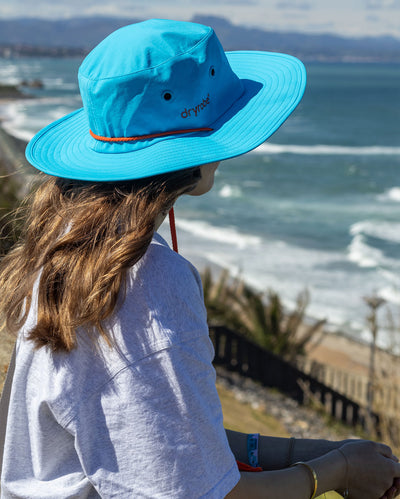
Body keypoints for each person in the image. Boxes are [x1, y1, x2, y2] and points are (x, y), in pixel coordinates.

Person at [0, 18, 399, 499]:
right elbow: (197, 494)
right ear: (190, 151)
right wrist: (336, 473)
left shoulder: (68, 248)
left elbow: (168, 438)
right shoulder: (144, 284)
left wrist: (307, 451)